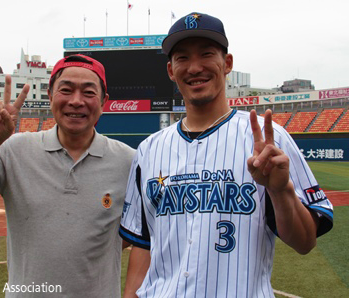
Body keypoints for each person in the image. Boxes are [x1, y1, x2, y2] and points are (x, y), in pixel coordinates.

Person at [119, 12, 334, 297]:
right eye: (182, 58)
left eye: (206, 54)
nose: (195, 67)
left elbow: (305, 242)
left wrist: (281, 191)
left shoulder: (270, 141)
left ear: (227, 63)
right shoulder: (148, 150)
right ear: (171, 70)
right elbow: (143, 244)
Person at [0, 54, 135, 297]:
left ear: (104, 101)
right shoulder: (15, 149)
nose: (76, 101)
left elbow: (144, 233)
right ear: (50, 96)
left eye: (89, 93)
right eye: (66, 90)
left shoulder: (129, 161)